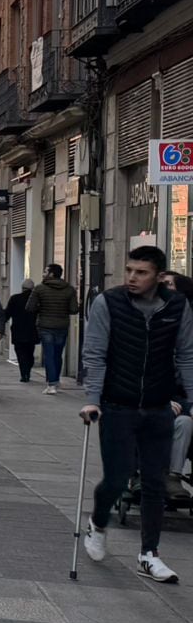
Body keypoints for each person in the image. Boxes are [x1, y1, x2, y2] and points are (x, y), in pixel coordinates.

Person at [80, 245, 193, 582]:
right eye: (129, 270)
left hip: (158, 407)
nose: (131, 277)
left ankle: (149, 554)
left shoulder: (177, 306)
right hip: (117, 406)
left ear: (159, 277)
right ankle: (98, 524)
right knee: (116, 480)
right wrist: (92, 399)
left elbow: (186, 355)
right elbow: (95, 353)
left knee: (155, 483)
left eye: (141, 272)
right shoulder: (109, 303)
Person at [28, 264, 80, 395]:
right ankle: (56, 381)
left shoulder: (39, 289)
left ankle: (51, 384)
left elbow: (30, 307)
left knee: (49, 354)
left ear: (51, 274)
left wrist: (42, 307)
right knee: (58, 354)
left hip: (45, 325)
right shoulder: (69, 289)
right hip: (62, 325)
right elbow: (74, 309)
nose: (43, 273)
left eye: (45, 271)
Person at [5, 277, 38, 385]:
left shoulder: (15, 298)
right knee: (30, 353)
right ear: (33, 289)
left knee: (20, 353)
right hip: (32, 331)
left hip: (18, 330)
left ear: (22, 288)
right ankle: (27, 370)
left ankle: (24, 374)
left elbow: (7, 313)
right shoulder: (37, 300)